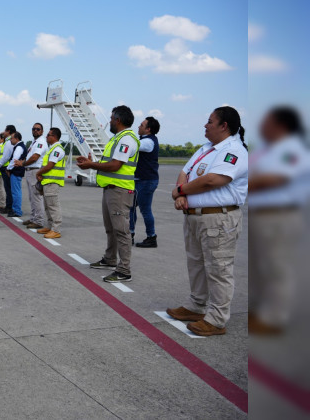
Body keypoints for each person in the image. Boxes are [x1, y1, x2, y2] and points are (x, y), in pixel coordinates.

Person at [166, 106, 249, 337]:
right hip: (195, 217)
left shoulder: (234, 150)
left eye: (210, 121)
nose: (205, 125)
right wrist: (182, 193)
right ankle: (196, 306)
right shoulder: (206, 149)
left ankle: (217, 319)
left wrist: (179, 191)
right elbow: (185, 171)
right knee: (197, 264)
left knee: (219, 269)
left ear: (224, 126)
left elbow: (213, 180)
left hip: (218, 219)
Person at [248, 107, 309, 335]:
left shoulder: (291, 150)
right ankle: (259, 311)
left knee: (277, 267)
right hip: (262, 216)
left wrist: (244, 187)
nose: (262, 126)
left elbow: (272, 179)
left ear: (281, 125)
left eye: (266, 121)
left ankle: (275, 318)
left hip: (279, 216)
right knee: (258, 268)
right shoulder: (268, 150)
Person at [77, 105, 139, 283]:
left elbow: (115, 165)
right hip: (111, 189)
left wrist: (90, 165)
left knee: (121, 231)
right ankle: (110, 259)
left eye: (111, 118)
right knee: (111, 228)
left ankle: (124, 270)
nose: (109, 121)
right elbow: (109, 163)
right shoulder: (118, 138)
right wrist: (92, 162)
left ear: (118, 120)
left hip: (119, 190)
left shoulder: (127, 139)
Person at [131, 116, 160, 248]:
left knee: (145, 210)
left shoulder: (148, 142)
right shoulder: (145, 140)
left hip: (146, 181)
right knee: (131, 207)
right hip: (140, 180)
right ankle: (130, 233)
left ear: (148, 129)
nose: (138, 126)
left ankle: (151, 237)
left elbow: (134, 146)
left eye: (141, 125)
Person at [35, 127, 65, 239]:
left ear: (55, 137)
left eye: (49, 135)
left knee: (53, 206)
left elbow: (50, 165)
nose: (47, 136)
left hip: (53, 182)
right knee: (47, 206)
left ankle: (56, 229)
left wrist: (38, 172)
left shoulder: (57, 149)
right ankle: (50, 226)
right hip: (47, 182)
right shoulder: (51, 148)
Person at [16, 123, 47, 229]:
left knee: (36, 197)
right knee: (32, 197)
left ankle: (38, 220)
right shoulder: (34, 142)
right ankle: (34, 217)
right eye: (33, 129)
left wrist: (23, 163)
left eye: (38, 129)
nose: (35, 130)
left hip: (35, 171)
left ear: (42, 131)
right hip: (30, 170)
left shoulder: (41, 142)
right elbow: (30, 156)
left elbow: (34, 157)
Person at [0, 125, 17, 214]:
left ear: (8, 131)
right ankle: (9, 206)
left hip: (7, 168)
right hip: (7, 167)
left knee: (8, 189)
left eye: (5, 131)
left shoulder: (9, 142)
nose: (4, 132)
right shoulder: (8, 142)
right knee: (8, 188)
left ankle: (9, 207)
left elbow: (6, 156)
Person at [5, 132, 26, 218]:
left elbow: (14, 160)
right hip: (17, 171)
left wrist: (8, 169)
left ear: (17, 139)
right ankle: (16, 209)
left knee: (16, 192)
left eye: (12, 138)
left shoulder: (19, 147)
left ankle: (17, 210)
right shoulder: (19, 146)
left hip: (16, 171)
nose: (10, 140)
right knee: (16, 191)